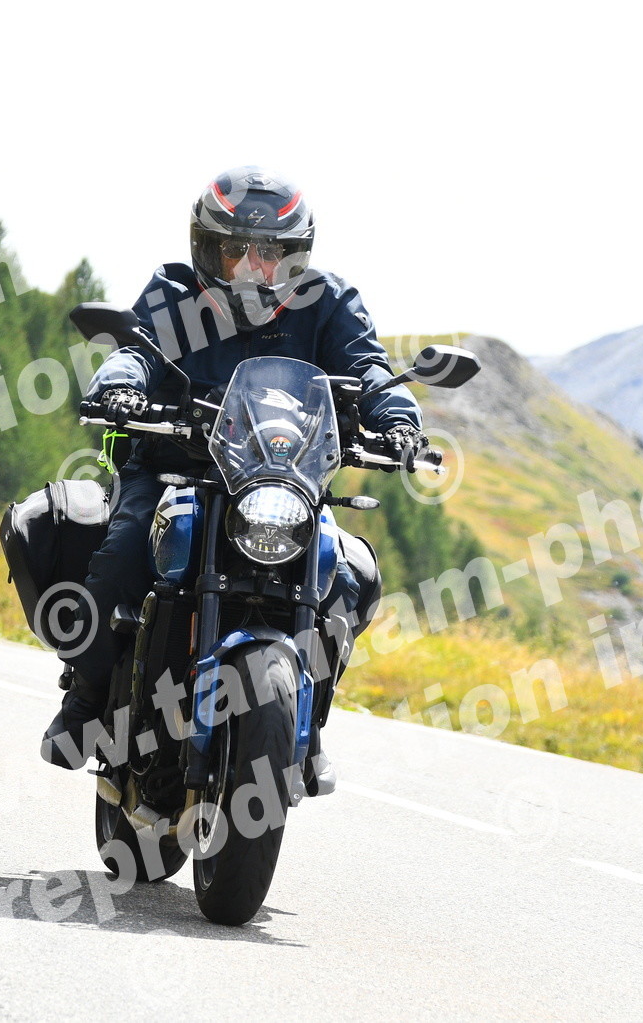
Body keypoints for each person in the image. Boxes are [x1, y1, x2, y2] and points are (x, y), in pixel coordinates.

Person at [41, 166, 428, 790]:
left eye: (273, 252)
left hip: (280, 481)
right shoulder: (174, 293)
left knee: (349, 576)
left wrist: (400, 421)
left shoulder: (328, 301)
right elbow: (137, 350)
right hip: (176, 468)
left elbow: (369, 369)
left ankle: (307, 726)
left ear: (296, 256)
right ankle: (84, 702)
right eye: (236, 249)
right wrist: (120, 384)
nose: (255, 266)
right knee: (122, 553)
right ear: (206, 247)